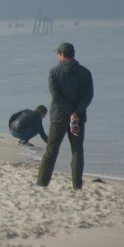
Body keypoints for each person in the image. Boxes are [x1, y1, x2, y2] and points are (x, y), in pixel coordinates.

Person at [35, 43, 94, 190]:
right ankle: (77, 186)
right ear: (73, 55)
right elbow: (89, 96)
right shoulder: (85, 73)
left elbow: (56, 95)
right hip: (77, 119)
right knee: (77, 151)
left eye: (58, 54)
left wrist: (69, 112)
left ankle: (41, 183)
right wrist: (75, 113)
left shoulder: (54, 72)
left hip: (58, 117)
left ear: (62, 54)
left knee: (51, 151)